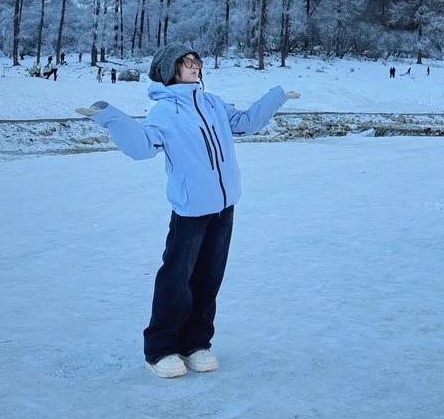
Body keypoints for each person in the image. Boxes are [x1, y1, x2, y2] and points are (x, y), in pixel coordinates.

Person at [75, 42, 299, 379]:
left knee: (209, 278)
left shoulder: (212, 103)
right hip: (191, 210)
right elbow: (140, 147)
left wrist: (276, 96)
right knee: (177, 279)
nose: (195, 66)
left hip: (225, 207)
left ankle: (197, 344)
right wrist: (108, 115)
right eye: (187, 61)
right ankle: (160, 349)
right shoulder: (165, 112)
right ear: (171, 69)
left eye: (197, 60)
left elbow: (246, 123)